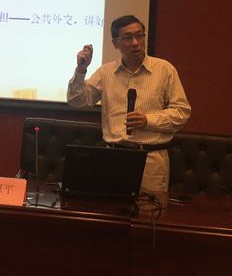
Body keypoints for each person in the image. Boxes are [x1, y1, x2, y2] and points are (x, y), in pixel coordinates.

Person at [67, 15, 191, 198]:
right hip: (113, 158)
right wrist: (81, 70)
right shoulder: (106, 72)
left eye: (139, 36)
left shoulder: (165, 70)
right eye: (127, 38)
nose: (135, 43)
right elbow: (77, 100)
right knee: (111, 211)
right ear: (115, 43)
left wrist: (148, 120)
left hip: (151, 160)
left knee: (149, 212)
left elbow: (181, 112)